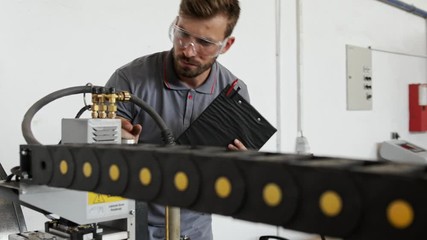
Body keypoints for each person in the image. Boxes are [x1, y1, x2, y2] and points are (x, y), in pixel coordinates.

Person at [105, 0, 249, 239]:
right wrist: (113, 140)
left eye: (204, 42)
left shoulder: (234, 92)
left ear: (227, 45)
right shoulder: (129, 80)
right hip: (128, 225)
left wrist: (241, 167)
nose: (188, 50)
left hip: (195, 229)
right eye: (182, 34)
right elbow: (99, 161)